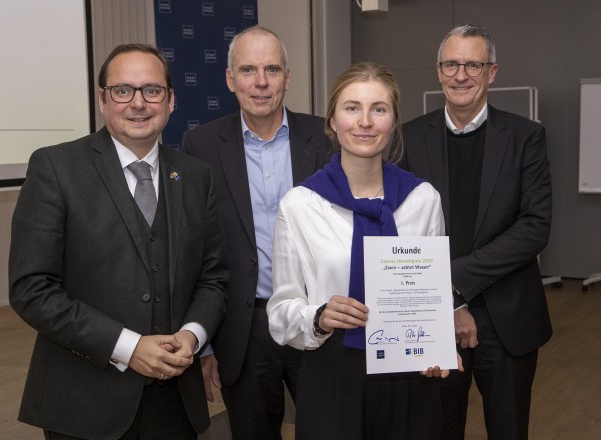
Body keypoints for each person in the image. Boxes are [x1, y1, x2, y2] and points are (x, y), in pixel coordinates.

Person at [9, 43, 228, 440]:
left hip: (176, 400)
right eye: (123, 90)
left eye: (152, 90)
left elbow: (213, 277)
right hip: (85, 401)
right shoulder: (56, 168)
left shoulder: (197, 177)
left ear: (171, 100)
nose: (138, 103)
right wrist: (127, 347)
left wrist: (192, 335)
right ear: (102, 100)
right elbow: (31, 289)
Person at [267, 61, 459, 440]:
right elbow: (281, 312)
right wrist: (320, 316)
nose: (365, 121)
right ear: (333, 121)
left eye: (379, 109)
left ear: (393, 122)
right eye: (352, 108)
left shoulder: (423, 199)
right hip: (331, 371)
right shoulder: (301, 205)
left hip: (408, 376)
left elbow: (434, 297)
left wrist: (436, 348)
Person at [398, 24, 553, 439]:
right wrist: (448, 304)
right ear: (438, 70)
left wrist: (455, 281)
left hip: (509, 320)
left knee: (508, 429)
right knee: (435, 429)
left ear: (492, 72)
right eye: (451, 64)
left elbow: (534, 228)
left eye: (472, 64)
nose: (460, 74)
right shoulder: (409, 138)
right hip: (433, 318)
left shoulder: (525, 137)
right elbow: (403, 233)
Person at [181, 25, 332, 439]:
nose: (260, 82)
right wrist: (205, 343)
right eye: (248, 70)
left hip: (320, 321)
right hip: (244, 331)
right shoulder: (201, 144)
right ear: (230, 79)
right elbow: (194, 250)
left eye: (272, 69)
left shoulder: (329, 137)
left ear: (288, 76)